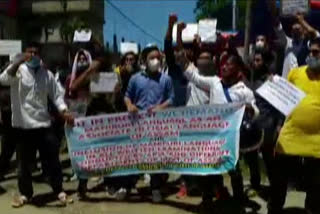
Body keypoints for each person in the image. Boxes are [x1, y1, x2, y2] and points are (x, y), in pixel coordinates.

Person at [0, 42, 74, 207]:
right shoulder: (17, 70)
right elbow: (3, 79)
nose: (32, 55)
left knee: (52, 160)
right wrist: (18, 61)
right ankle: (25, 194)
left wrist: (64, 111)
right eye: (29, 52)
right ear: (25, 53)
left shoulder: (46, 74)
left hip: (43, 124)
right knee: (24, 164)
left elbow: (56, 96)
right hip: (23, 126)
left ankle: (59, 190)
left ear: (40, 55)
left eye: (35, 52)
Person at [268, 38, 320, 214]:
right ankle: (274, 209)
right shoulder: (295, 73)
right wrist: (277, 127)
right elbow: (282, 102)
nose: (313, 55)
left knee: (316, 187)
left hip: (317, 144)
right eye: (312, 51)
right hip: (290, 138)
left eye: (317, 52)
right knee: (279, 183)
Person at [124, 44, 174, 203]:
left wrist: (161, 107)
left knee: (155, 157)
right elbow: (127, 96)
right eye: (152, 58)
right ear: (144, 60)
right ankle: (127, 186)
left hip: (157, 124)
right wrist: (129, 105)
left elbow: (172, 99)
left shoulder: (166, 79)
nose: (156, 61)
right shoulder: (135, 78)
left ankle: (155, 188)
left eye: (158, 58)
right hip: (137, 123)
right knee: (134, 156)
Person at [273, 12, 319, 77]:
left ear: (304, 29)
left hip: (302, 81)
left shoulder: (309, 45)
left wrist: (301, 20)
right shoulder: (287, 43)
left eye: (298, 27)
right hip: (286, 84)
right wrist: (274, 10)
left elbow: (313, 33)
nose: (295, 28)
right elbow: (276, 23)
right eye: (294, 26)